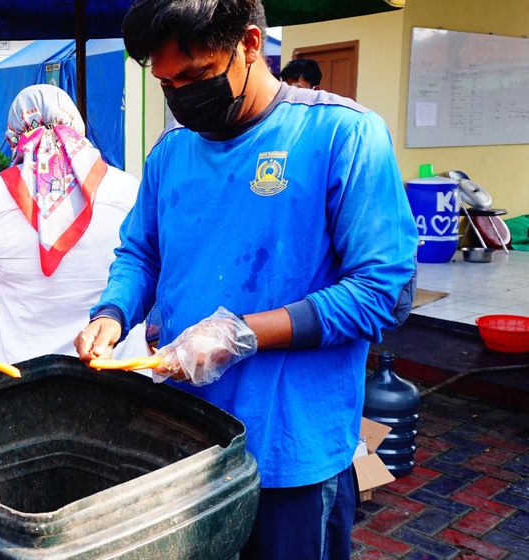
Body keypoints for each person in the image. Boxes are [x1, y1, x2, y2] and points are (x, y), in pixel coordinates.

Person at [74, 1, 417, 559]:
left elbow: (383, 293)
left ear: (250, 43)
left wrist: (239, 334)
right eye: (165, 83)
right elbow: (140, 254)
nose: (181, 96)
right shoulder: (171, 153)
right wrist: (111, 314)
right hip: (185, 443)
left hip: (289, 452)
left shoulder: (341, 136)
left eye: (195, 76)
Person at [0, 85, 149, 365]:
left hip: (19, 381)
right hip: (118, 374)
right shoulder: (128, 189)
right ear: (75, 123)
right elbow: (148, 282)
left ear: (13, 134)